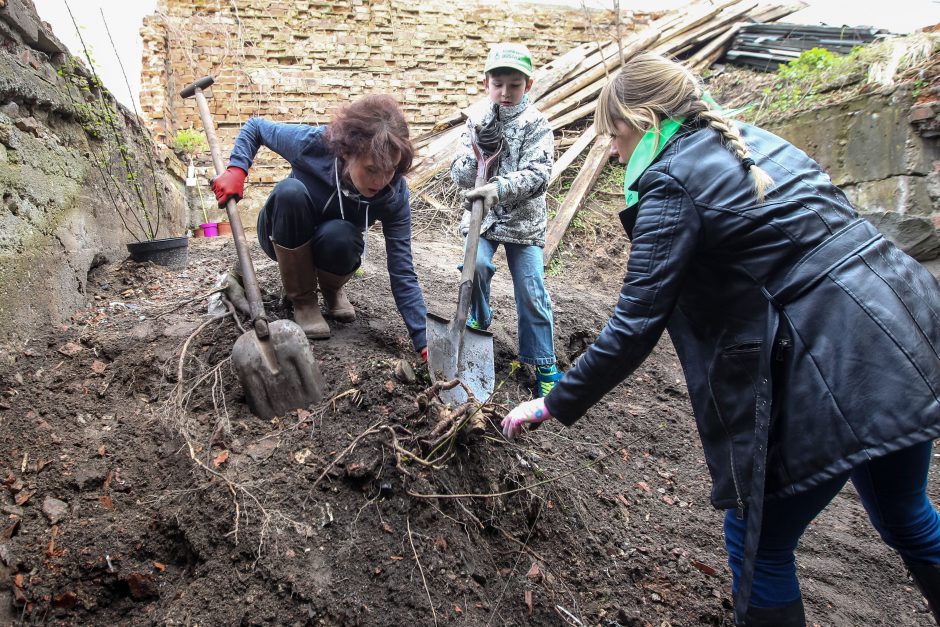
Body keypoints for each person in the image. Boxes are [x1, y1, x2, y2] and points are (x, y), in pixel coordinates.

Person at [501, 52, 940, 626]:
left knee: (758, 542)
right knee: (907, 513)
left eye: (616, 132)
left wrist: (554, 402)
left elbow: (636, 323)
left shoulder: (671, 182)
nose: (612, 150)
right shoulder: (756, 142)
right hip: (906, 326)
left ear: (647, 120)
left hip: (832, 359)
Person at [210, 95, 428, 361]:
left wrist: (424, 340)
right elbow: (256, 127)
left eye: (390, 169)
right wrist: (237, 168)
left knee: (343, 234)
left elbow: (402, 269)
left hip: (334, 247)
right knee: (289, 191)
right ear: (346, 152)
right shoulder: (312, 144)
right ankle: (303, 301)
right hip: (283, 231)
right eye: (371, 169)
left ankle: (332, 290)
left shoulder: (393, 194)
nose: (381, 180)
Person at [450, 43, 563, 397]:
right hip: (483, 219)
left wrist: (497, 187)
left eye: (514, 85)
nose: (505, 92)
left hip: (524, 222)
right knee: (476, 265)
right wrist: (476, 156)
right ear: (486, 83)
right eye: (498, 84)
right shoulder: (477, 120)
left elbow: (539, 175)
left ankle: (544, 362)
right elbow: (459, 176)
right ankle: (480, 317)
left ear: (527, 86)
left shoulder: (537, 124)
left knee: (531, 290)